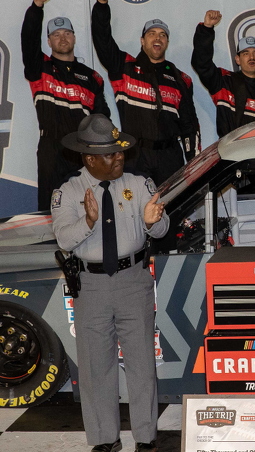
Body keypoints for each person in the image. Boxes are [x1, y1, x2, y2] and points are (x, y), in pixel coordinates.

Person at [51, 114, 169, 452]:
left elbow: (162, 227)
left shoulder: (140, 183)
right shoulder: (68, 191)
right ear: (89, 158)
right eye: (110, 154)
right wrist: (88, 221)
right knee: (95, 369)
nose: (119, 158)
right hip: (92, 286)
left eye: (120, 152)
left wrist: (152, 223)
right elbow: (64, 239)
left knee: (142, 366)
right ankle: (105, 440)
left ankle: (146, 439)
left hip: (134, 281)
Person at [91, 0, 200, 186]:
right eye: (151, 33)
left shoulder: (181, 79)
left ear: (167, 42)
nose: (157, 38)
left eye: (162, 35)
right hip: (134, 155)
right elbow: (103, 40)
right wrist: (102, 5)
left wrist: (194, 162)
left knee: (172, 212)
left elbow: (189, 125)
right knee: (134, 214)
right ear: (142, 41)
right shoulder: (124, 67)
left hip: (171, 157)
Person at [21, 0, 110, 211]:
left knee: (85, 206)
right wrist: (36, 6)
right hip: (50, 146)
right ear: (49, 41)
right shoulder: (38, 67)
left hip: (81, 149)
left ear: (74, 38)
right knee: (49, 207)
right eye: (56, 35)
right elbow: (28, 39)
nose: (63, 38)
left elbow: (102, 117)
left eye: (67, 33)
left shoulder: (92, 77)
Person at [192, 10, 255, 138]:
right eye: (245, 53)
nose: (251, 57)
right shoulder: (223, 81)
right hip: (232, 155)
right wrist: (206, 29)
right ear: (237, 59)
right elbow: (201, 63)